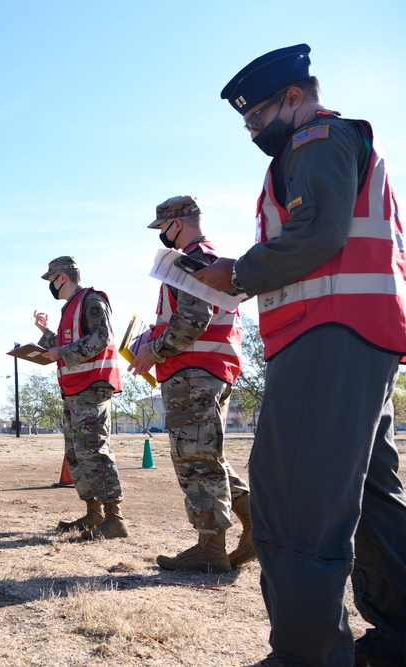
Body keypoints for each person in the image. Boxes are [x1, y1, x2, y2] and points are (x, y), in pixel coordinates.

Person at [195, 44, 406, 667]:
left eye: (256, 116)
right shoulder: (334, 143)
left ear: (294, 97)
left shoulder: (314, 140)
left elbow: (318, 234)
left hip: (327, 335)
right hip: (363, 337)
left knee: (294, 502)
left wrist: (238, 273)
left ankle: (307, 656)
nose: (252, 130)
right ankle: (398, 637)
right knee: (369, 497)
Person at [126, 196, 253, 573]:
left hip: (194, 372)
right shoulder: (213, 260)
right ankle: (257, 524)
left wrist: (154, 349)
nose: (161, 235)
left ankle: (210, 551)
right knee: (206, 454)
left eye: (162, 227)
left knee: (196, 459)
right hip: (210, 370)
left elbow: (194, 319)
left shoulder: (188, 259)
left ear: (176, 224)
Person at [34, 256, 127, 539]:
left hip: (92, 387)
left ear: (61, 277)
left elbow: (103, 337)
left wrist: (62, 352)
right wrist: (44, 334)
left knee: (94, 451)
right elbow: (66, 345)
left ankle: (114, 519)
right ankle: (94, 513)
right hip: (74, 390)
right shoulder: (69, 308)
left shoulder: (91, 299)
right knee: (76, 453)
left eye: (50, 279)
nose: (50, 285)